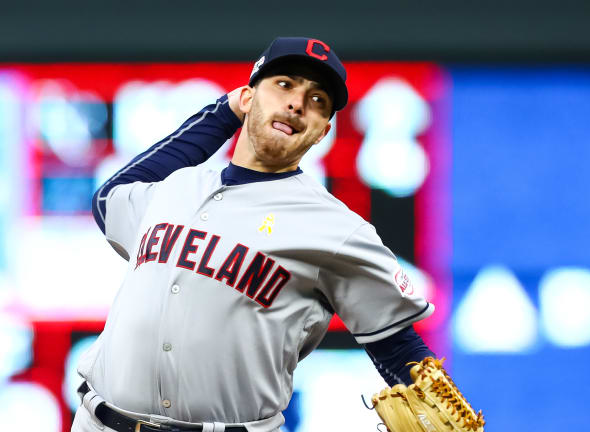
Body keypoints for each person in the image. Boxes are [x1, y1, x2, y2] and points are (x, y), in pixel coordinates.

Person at [72, 37, 436, 432]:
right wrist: (223, 113)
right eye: (284, 84)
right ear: (246, 98)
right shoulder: (176, 187)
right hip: (99, 421)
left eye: (317, 100)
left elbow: (398, 347)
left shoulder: (337, 229)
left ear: (322, 132)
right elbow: (110, 198)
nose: (297, 103)